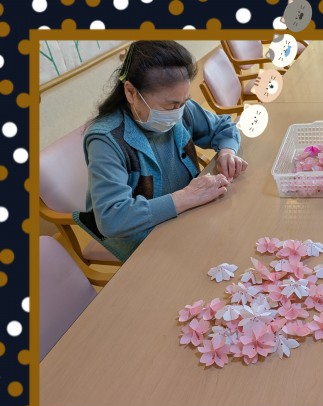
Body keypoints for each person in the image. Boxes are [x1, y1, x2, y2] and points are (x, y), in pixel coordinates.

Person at [74, 40, 248, 261]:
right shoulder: (106, 140)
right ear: (131, 92)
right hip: (147, 236)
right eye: (170, 106)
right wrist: (185, 197)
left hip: (189, 216)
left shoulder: (181, 108)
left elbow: (223, 128)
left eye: (183, 102)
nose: (178, 112)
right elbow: (112, 218)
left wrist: (227, 152)